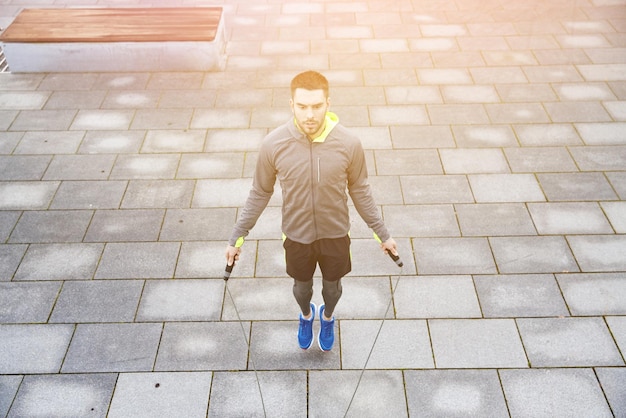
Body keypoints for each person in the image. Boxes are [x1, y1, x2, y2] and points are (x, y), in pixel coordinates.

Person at [225, 70, 398, 352]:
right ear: (291, 105)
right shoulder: (273, 145)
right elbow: (260, 192)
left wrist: (384, 235)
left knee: (332, 290)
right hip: (297, 236)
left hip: (335, 234)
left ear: (328, 104)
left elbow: (360, 190)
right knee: (302, 289)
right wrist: (236, 238)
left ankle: (327, 317)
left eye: (316, 106)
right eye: (302, 106)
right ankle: (306, 315)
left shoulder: (349, 143)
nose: (310, 115)